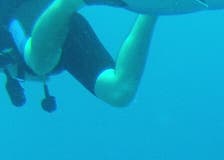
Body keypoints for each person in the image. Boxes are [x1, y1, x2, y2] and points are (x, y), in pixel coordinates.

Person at [1, 0, 157, 110]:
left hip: (23, 15)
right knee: (120, 93)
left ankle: (70, 2)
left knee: (40, 63)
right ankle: (151, 10)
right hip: (56, 28)